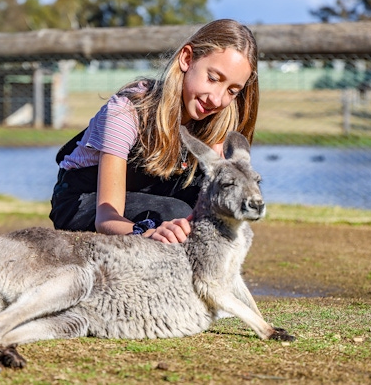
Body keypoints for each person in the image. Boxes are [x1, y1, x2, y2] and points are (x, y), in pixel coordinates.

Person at [50, 19, 259, 243]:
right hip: (87, 201)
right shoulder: (125, 111)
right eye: (213, 78)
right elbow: (106, 217)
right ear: (187, 58)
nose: (217, 99)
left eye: (232, 91)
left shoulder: (217, 119)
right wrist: (148, 233)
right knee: (173, 214)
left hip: (152, 192)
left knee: (211, 198)